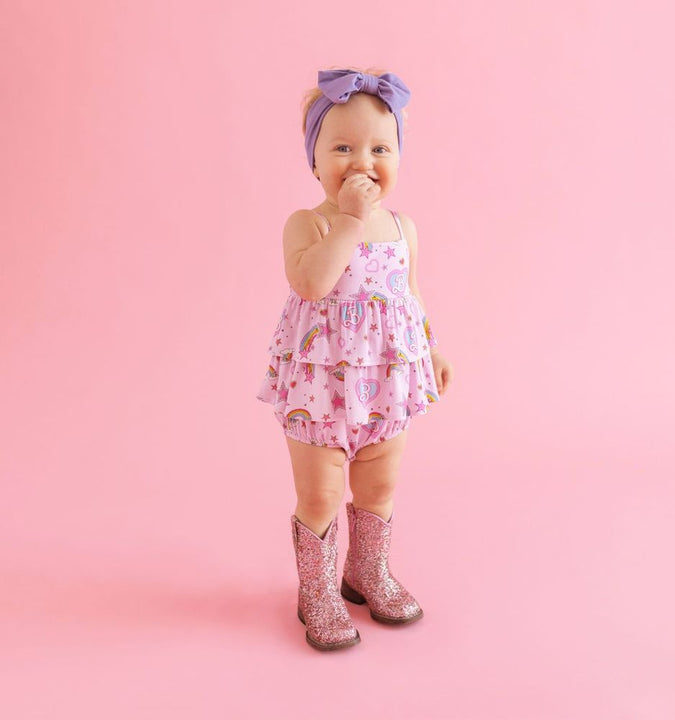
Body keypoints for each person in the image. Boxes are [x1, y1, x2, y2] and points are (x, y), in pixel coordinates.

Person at [256, 67, 453, 651]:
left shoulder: (403, 228)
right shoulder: (310, 224)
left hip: (387, 382)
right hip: (320, 389)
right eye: (342, 148)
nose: (361, 161)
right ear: (314, 161)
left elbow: (411, 294)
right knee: (320, 494)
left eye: (379, 149)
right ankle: (317, 590)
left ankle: (367, 572)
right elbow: (312, 283)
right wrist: (348, 220)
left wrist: (432, 347)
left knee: (379, 485)